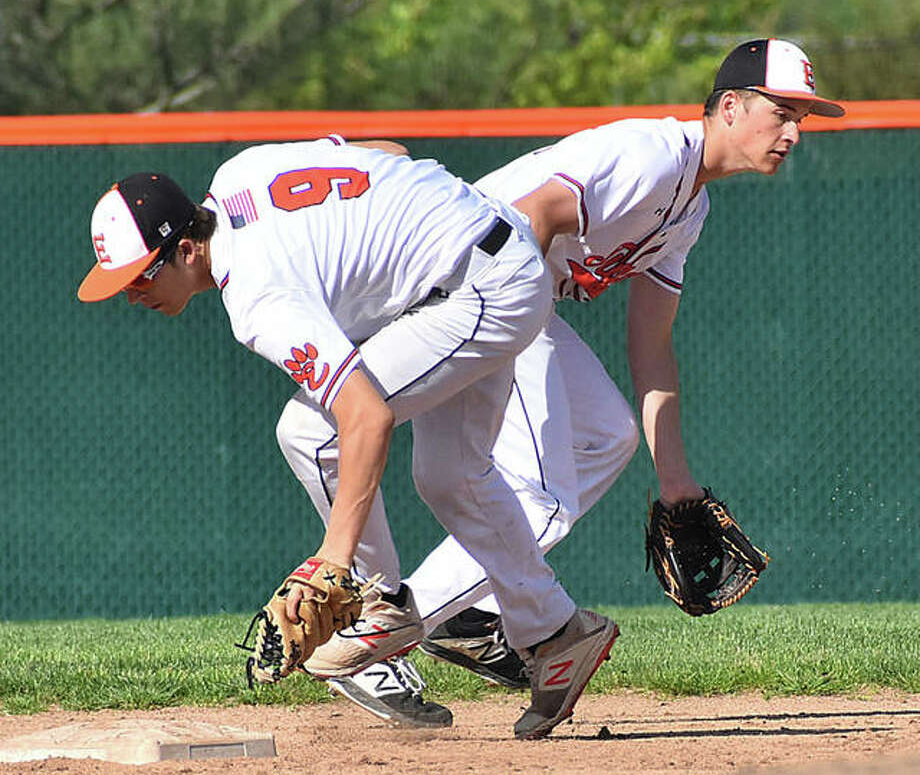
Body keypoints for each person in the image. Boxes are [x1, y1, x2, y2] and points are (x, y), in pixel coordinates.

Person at [316, 38, 845, 722]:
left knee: (606, 436)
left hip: (500, 289)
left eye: (804, 117)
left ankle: (472, 611)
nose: (795, 132)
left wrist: (676, 479)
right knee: (541, 499)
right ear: (732, 106)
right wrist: (502, 333)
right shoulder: (653, 158)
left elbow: (651, 344)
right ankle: (385, 632)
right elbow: (535, 216)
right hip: (472, 281)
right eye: (784, 112)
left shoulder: (691, 209)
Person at [76, 136, 619, 741]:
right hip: (487, 253)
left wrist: (335, 562)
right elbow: (385, 148)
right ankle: (557, 634)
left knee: (310, 431)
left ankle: (379, 600)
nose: (131, 294)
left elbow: (365, 419)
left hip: (481, 288)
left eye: (137, 276)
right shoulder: (240, 173)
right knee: (450, 475)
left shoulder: (256, 295)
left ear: (183, 249)